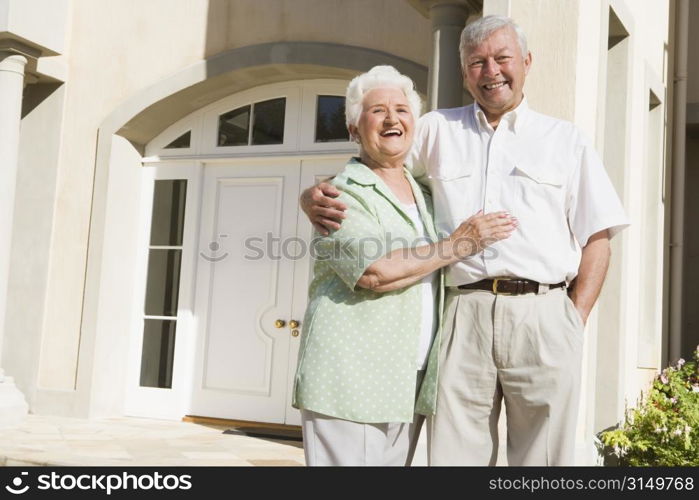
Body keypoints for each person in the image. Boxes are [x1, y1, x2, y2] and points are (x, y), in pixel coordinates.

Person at [300, 16, 629, 466]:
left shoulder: (565, 140)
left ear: (527, 63)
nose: (491, 70)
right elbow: (377, 160)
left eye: (502, 58)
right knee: (456, 457)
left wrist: (575, 318)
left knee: (544, 458)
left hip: (543, 313)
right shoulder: (436, 129)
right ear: (464, 73)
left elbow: (598, 236)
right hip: (462, 312)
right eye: (477, 62)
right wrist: (313, 193)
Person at [292, 65, 516, 466]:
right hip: (350, 378)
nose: (392, 118)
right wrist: (461, 243)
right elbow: (375, 271)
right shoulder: (341, 193)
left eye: (402, 109)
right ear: (353, 128)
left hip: (405, 381)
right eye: (377, 111)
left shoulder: (424, 191)